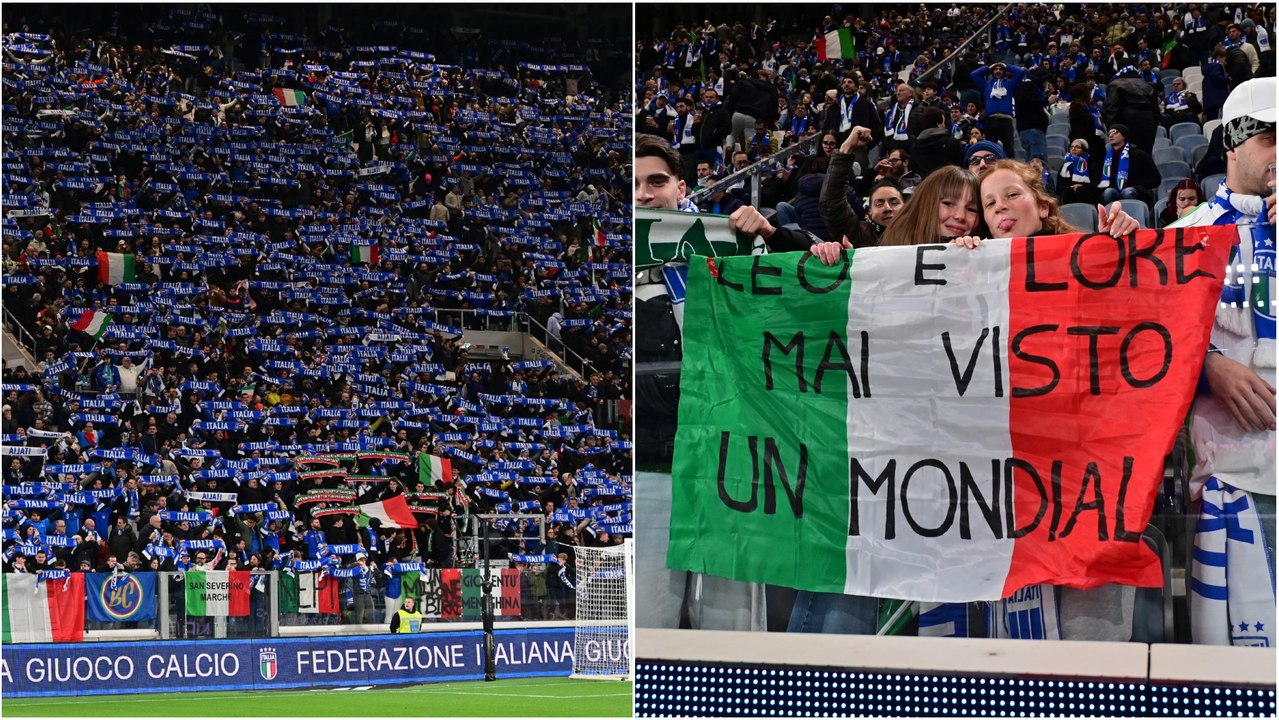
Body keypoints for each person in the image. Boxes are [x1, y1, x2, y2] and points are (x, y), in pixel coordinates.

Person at [634, 133, 768, 631]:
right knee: (649, 624)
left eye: (656, 181)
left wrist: (771, 237)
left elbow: (797, 299)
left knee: (732, 627)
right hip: (652, 467)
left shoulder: (727, 248)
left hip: (728, 461)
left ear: (681, 187)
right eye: (634, 185)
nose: (644, 194)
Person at [1166, 77, 1276, 647]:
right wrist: (1207, 361)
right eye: (1269, 137)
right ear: (1233, 142)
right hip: (1227, 473)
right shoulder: (1184, 236)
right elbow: (1149, 342)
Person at [1097, 124, 1162, 206]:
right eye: (1109, 133)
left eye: (1115, 132)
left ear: (1123, 136)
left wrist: (1134, 185)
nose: (1111, 135)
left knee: (1127, 192)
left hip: (1137, 190)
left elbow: (1155, 179)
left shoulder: (1139, 155)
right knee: (1108, 192)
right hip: (1114, 189)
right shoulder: (1107, 159)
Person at [970, 61, 1024, 155]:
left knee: (1009, 149)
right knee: (991, 150)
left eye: (1000, 69)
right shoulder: (986, 85)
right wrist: (988, 68)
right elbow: (973, 75)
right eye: (995, 69)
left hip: (1005, 120)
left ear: (1004, 72)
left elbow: (1021, 72)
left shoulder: (1009, 84)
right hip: (991, 120)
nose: (998, 71)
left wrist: (1007, 66)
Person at [1058, 138, 1099, 206]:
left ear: (1083, 151)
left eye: (1077, 147)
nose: (1073, 149)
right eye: (1072, 147)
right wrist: (1072, 186)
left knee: (1080, 190)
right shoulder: (1065, 166)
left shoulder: (1091, 164)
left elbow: (1095, 184)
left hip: (1086, 191)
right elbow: (1059, 187)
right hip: (1069, 192)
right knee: (1069, 192)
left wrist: (1081, 186)